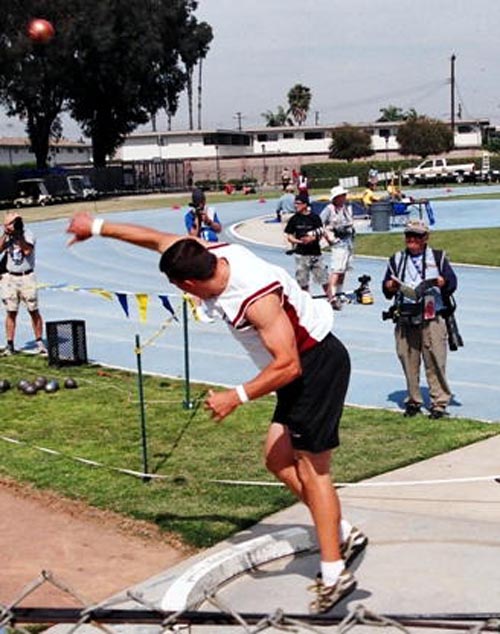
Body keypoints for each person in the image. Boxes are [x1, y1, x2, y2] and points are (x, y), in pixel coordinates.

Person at [67, 211, 368, 614]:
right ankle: (340, 531)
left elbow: (289, 364)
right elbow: (154, 238)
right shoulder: (205, 254)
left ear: (189, 284)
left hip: (315, 367)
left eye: (178, 288)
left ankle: (334, 574)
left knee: (314, 470)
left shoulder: (256, 299)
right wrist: (97, 227)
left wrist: (236, 396)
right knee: (277, 460)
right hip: (292, 372)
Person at [382, 219, 458, 419]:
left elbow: (452, 283)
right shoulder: (396, 259)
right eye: (408, 235)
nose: (412, 239)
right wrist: (389, 285)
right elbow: (386, 288)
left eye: (416, 236)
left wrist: (443, 282)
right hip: (405, 316)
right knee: (408, 360)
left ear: (426, 238)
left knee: (435, 360)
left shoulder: (438, 257)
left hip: (432, 317)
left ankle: (439, 403)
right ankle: (414, 400)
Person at [0, 211, 46, 356]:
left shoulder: (28, 234)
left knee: (33, 310)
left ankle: (39, 342)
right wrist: (5, 235)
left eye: (8, 224)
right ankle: (10, 344)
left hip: (27, 276)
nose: (5, 226)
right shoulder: (7, 236)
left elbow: (27, 250)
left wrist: (18, 236)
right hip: (10, 277)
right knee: (11, 312)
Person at [284, 193, 330, 299]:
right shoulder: (294, 219)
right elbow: (289, 236)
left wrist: (311, 239)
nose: (296, 206)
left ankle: (331, 299)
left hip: (315, 254)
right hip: (301, 254)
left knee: (323, 279)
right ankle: (307, 301)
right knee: (302, 281)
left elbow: (320, 233)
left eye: (298, 203)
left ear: (305, 204)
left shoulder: (315, 217)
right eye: (295, 203)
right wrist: (299, 242)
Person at [320, 186, 355, 310]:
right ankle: (332, 295)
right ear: (336, 198)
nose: (344, 198)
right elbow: (319, 223)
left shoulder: (345, 208)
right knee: (336, 270)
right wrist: (328, 237)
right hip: (337, 242)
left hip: (348, 241)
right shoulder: (329, 209)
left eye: (344, 195)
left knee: (343, 270)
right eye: (342, 196)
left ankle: (339, 293)